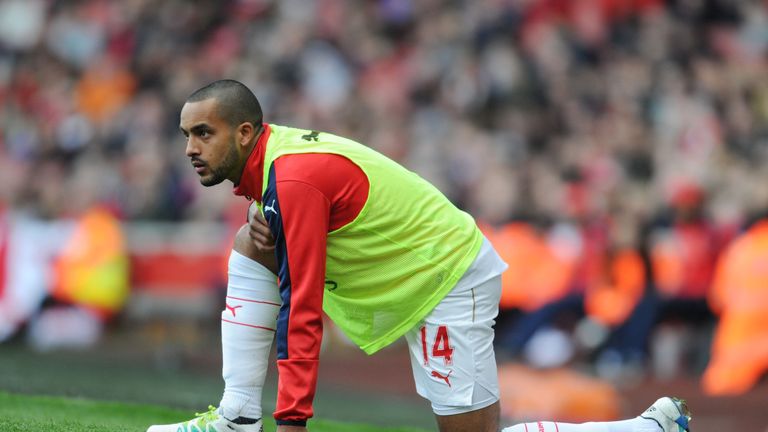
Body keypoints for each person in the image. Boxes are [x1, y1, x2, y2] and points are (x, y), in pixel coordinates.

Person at [147, 80, 692, 432]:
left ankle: (647, 429)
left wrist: (291, 423)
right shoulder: (275, 161)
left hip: (446, 278)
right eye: (186, 134)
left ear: (244, 133)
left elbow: (302, 308)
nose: (191, 147)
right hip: (408, 275)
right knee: (251, 242)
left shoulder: (291, 177)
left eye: (203, 133)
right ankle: (238, 414)